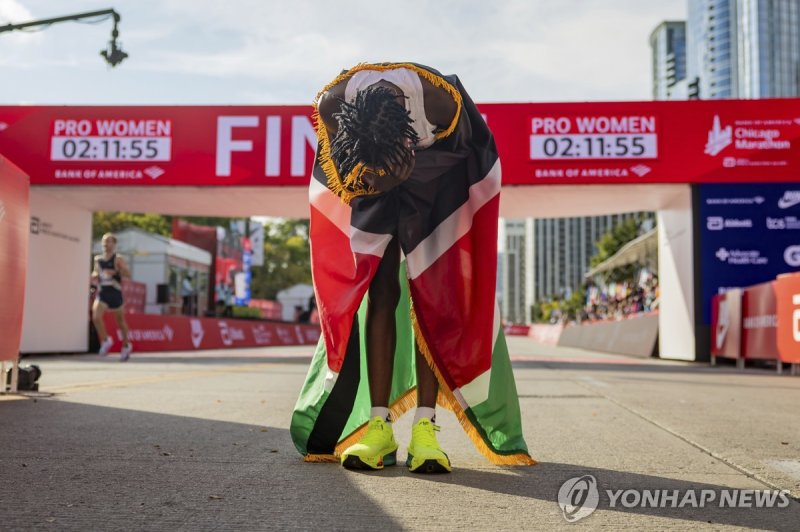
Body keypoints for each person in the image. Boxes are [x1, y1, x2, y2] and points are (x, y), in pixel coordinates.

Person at [291, 62, 534, 473]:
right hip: (365, 171)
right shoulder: (332, 104)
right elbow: (335, 174)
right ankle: (378, 426)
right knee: (379, 287)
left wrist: (410, 173)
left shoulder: (440, 102)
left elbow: (474, 154)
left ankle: (426, 428)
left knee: (432, 289)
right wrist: (371, 180)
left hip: (443, 171)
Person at [91, 233, 133, 361]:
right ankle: (105, 340)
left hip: (115, 291)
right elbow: (96, 272)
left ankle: (126, 345)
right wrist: (94, 276)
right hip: (103, 291)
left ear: (114, 244)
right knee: (96, 317)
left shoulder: (117, 258)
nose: (105, 244)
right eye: (104, 241)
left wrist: (115, 271)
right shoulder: (98, 259)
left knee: (120, 321)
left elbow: (128, 274)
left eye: (108, 241)